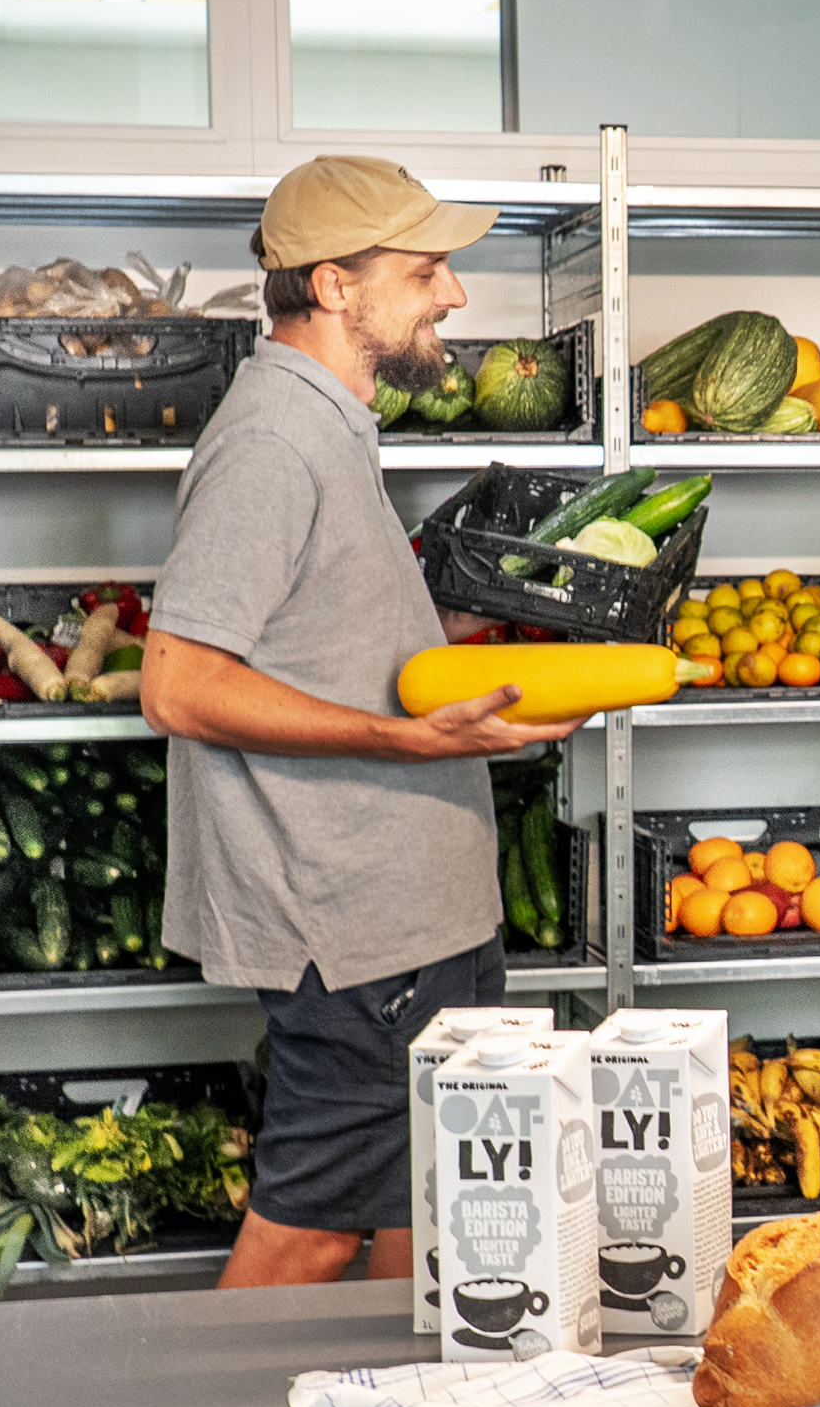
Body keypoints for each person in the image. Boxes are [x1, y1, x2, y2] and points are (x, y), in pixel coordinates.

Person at [143, 156, 575, 1287]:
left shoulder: (333, 423)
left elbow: (322, 633)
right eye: (425, 272)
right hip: (351, 930)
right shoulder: (273, 441)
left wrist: (466, 637)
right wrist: (403, 738)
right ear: (335, 287)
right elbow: (178, 683)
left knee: (421, 1207)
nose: (453, 295)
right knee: (316, 1225)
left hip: (414, 915)